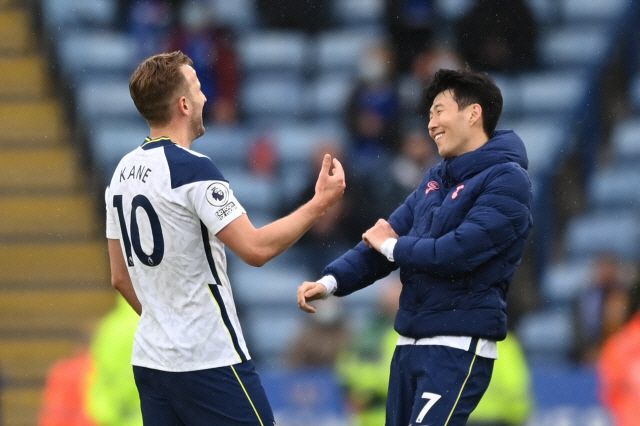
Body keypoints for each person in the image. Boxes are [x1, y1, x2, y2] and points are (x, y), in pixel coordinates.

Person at [104, 51, 345, 425]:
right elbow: (256, 248)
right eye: (198, 89)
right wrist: (320, 204)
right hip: (208, 358)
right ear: (183, 104)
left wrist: (168, 325)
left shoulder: (120, 174)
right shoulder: (192, 167)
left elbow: (120, 277)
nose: (204, 98)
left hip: (152, 362)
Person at [297, 68, 533, 426]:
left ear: (473, 114)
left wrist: (393, 246)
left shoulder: (508, 179)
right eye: (429, 115)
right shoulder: (435, 178)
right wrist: (331, 283)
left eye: (440, 111)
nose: (431, 123)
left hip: (457, 342)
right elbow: (382, 234)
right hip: (409, 341)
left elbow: (457, 252)